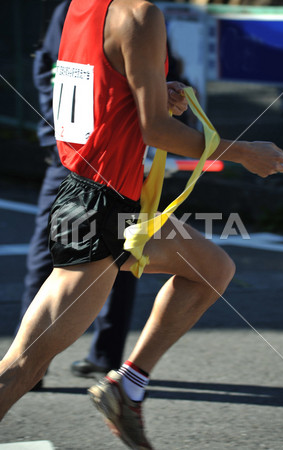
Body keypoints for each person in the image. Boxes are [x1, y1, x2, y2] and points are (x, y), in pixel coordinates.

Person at [0, 0, 283, 449]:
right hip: (99, 210)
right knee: (24, 365)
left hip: (109, 202)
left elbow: (101, 89)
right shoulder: (140, 14)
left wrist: (156, 89)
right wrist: (243, 152)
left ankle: (127, 386)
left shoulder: (85, 7)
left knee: (212, 270)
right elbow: (157, 131)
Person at [20, 0, 137, 385]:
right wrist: (54, 135)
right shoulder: (74, 9)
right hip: (72, 158)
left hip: (114, 159)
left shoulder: (135, 11)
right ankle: (28, 364)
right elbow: (51, 69)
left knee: (124, 256)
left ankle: (107, 357)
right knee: (47, 256)